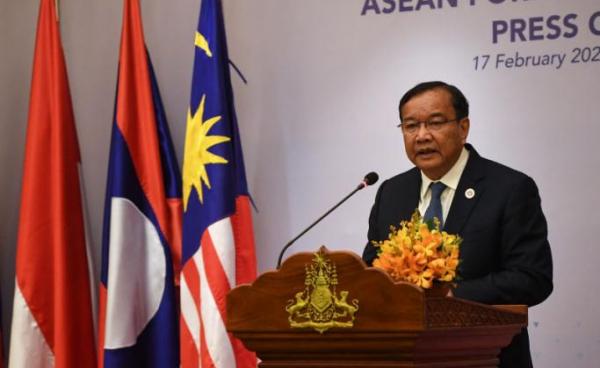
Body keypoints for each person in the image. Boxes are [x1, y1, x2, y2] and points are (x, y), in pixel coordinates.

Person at [362, 81, 553, 368]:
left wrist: (451, 298)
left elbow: (532, 278)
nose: (422, 135)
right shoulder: (392, 192)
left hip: (487, 357)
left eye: (435, 123)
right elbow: (371, 269)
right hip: (403, 357)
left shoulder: (509, 188)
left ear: (463, 128)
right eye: (411, 126)